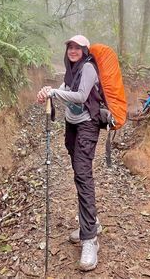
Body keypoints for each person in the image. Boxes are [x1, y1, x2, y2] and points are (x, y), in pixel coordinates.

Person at [37, 35, 104, 271]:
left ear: (85, 50)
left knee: (83, 176)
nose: (73, 50)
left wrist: (55, 93)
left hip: (87, 125)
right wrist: (49, 91)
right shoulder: (71, 70)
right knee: (79, 174)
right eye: (70, 47)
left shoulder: (87, 68)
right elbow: (65, 89)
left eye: (77, 47)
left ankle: (90, 240)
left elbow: (81, 97)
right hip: (72, 126)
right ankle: (91, 223)